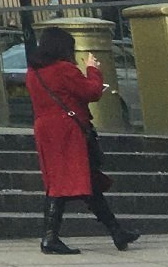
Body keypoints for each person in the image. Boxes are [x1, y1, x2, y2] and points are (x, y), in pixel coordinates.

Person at [25, 27, 138, 255]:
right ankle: (50, 238)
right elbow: (92, 92)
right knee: (67, 181)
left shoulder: (33, 72)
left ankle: (116, 231)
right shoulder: (64, 69)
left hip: (45, 129)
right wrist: (93, 70)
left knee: (78, 180)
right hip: (67, 130)